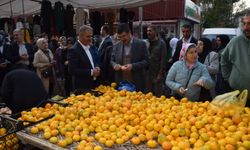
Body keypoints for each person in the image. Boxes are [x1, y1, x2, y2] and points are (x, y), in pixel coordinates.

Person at [221, 11, 250, 107]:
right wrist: (228, 78)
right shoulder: (235, 42)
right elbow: (224, 60)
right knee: (237, 121)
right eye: (244, 24)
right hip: (237, 94)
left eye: (249, 24)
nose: (246, 27)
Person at [111, 23, 149, 92]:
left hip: (137, 82)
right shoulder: (116, 45)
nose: (122, 39)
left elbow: (146, 61)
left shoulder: (141, 44)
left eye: (124, 36)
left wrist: (133, 66)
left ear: (129, 33)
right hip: (121, 82)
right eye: (120, 37)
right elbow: (112, 60)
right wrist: (115, 65)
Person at [68, 25, 100, 91]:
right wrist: (91, 72)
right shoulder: (74, 50)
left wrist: (97, 67)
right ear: (80, 36)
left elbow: (95, 60)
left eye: (91, 36)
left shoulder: (91, 47)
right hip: (81, 87)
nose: (90, 38)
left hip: (94, 84)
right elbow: (72, 70)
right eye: (88, 36)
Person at [146, 25, 167, 96]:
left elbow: (163, 60)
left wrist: (160, 74)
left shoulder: (161, 43)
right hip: (148, 73)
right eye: (147, 31)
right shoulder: (146, 43)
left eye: (150, 31)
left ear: (155, 32)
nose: (148, 32)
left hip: (157, 73)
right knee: (148, 94)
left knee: (158, 95)